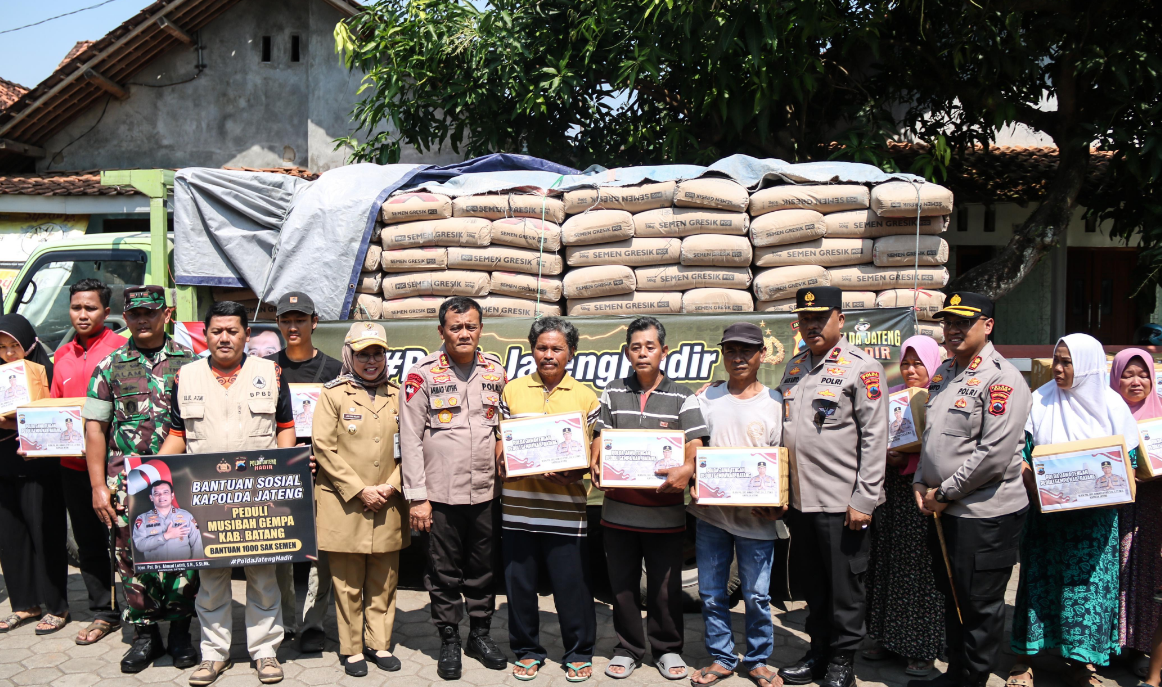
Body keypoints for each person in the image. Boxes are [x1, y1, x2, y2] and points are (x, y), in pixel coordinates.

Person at [158, 300, 297, 686]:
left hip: (260, 498)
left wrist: (288, 471)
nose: (224, 337)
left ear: (246, 335)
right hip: (206, 500)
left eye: (232, 331)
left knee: (263, 576)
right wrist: (147, 473)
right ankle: (214, 655)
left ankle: (265, 652)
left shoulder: (270, 373)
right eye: (217, 331)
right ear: (205, 334)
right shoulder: (185, 377)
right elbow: (177, 436)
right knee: (212, 579)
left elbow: (285, 427)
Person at [910, 292, 1031, 687]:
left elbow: (992, 455)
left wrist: (942, 493)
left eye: (963, 322)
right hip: (944, 511)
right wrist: (919, 482)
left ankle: (974, 680)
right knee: (953, 599)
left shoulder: (1003, 378)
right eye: (948, 322)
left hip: (984, 515)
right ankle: (956, 675)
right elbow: (932, 439)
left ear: (988, 326)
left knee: (979, 608)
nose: (953, 329)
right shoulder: (945, 372)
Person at [1009, 333, 1140, 687]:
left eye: (1067, 362)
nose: (1058, 368)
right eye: (1056, 359)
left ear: (1087, 366)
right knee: (1038, 583)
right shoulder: (1041, 401)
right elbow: (1021, 452)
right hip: (1046, 518)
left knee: (1088, 589)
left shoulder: (1112, 406)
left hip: (1094, 523)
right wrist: (1032, 482)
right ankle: (1024, 658)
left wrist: (1117, 486)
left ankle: (1083, 665)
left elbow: (1127, 461)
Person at [84, 285, 201, 672]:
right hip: (125, 481)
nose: (142, 320)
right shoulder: (111, 364)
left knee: (181, 554)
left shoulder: (191, 363)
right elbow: (95, 429)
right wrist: (99, 486)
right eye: (134, 314)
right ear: (125, 316)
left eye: (150, 313)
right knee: (130, 556)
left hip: (178, 477)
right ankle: (145, 636)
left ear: (165, 314)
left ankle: (181, 633)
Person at [776, 287, 887, 687]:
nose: (812, 326)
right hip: (802, 502)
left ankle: (843, 661)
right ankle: (818, 652)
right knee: (814, 587)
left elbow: (876, 439)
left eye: (820, 318)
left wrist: (865, 499)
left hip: (843, 504)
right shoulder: (795, 368)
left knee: (845, 589)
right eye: (806, 319)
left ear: (840, 320)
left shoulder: (862, 368)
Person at [590, 316, 709, 681]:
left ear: (664, 351)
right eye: (636, 347)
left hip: (665, 515)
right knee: (623, 587)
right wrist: (597, 460)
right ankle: (627, 648)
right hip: (618, 513)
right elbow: (600, 436)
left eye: (650, 346)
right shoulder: (612, 391)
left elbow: (695, 443)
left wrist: (689, 467)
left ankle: (668, 649)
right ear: (627, 352)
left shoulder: (682, 396)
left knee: (664, 587)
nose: (643, 353)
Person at [399, 296, 508, 680]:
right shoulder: (422, 375)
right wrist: (417, 498)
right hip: (440, 496)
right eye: (455, 326)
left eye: (471, 326)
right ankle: (448, 639)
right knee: (443, 572)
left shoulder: (495, 370)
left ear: (481, 328)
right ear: (442, 330)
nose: (464, 333)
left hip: (486, 492)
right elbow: (409, 439)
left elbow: (502, 428)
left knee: (483, 569)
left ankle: (479, 635)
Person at [496, 317, 600, 682]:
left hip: (566, 512)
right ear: (532, 350)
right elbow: (500, 442)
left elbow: (595, 452)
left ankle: (579, 651)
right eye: (542, 347)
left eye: (557, 348)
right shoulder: (512, 391)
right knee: (519, 588)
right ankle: (526, 651)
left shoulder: (586, 396)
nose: (549, 355)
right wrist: (504, 461)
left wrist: (579, 469)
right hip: (518, 510)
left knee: (572, 588)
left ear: (570, 352)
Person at [687, 322, 784, 687]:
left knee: (757, 595)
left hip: (757, 519)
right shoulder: (704, 399)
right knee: (712, 594)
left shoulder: (775, 402)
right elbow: (692, 448)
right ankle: (723, 657)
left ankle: (758, 660)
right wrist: (695, 479)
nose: (738, 357)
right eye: (731, 350)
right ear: (722, 355)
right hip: (711, 515)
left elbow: (783, 460)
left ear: (761, 355)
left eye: (746, 350)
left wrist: (780, 503)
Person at [312, 322, 409, 677]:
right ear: (348, 355)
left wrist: (390, 486)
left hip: (388, 501)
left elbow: (413, 447)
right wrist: (360, 489)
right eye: (363, 354)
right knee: (348, 583)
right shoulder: (333, 394)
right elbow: (323, 447)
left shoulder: (399, 394)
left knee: (384, 581)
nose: (371, 361)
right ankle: (352, 648)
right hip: (346, 502)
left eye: (377, 353)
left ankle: (379, 644)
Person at [263, 292, 343, 653]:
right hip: (279, 475)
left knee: (320, 554)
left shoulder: (333, 370)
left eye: (300, 319)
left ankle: (313, 624)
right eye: (285, 320)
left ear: (314, 322)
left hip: (322, 475)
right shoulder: (264, 369)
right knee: (278, 551)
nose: (292, 326)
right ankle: (284, 623)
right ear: (278, 323)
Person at [50, 279, 129, 646]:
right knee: (87, 541)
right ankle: (103, 610)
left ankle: (137, 606)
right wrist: (36, 443)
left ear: (106, 312)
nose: (82, 314)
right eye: (76, 308)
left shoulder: (121, 350)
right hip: (72, 467)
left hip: (113, 468)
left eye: (91, 308)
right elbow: (52, 411)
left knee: (123, 540)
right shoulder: (61, 355)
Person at [864, 336, 945, 676]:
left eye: (918, 363)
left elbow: (944, 445)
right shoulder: (893, 396)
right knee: (887, 562)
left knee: (921, 571)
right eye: (906, 363)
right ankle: (887, 638)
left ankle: (922, 648)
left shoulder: (941, 396)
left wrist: (908, 456)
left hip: (923, 493)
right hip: (892, 492)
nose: (911, 370)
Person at [0, 314, 68, 636]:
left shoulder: (47, 370)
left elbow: (56, 416)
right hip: (3, 466)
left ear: (28, 341)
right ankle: (24, 605)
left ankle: (57, 606)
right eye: (2, 347)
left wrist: (15, 423)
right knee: (10, 536)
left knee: (45, 533)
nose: (9, 354)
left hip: (39, 467)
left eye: (13, 346)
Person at [1111, 350, 1162, 683]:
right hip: (1114, 506)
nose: (1136, 381)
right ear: (1115, 378)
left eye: (1143, 374)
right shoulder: (1105, 413)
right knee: (1114, 570)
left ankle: (1143, 647)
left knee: (1146, 574)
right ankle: (1112, 646)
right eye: (1127, 374)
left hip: (1153, 509)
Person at [131, 480, 205, 562]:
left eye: (165, 492)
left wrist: (197, 567)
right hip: (155, 570)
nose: (161, 496)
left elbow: (197, 545)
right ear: (151, 498)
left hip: (183, 569)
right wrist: (166, 536)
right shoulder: (142, 518)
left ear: (172, 495)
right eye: (157, 493)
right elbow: (140, 545)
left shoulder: (186, 516)